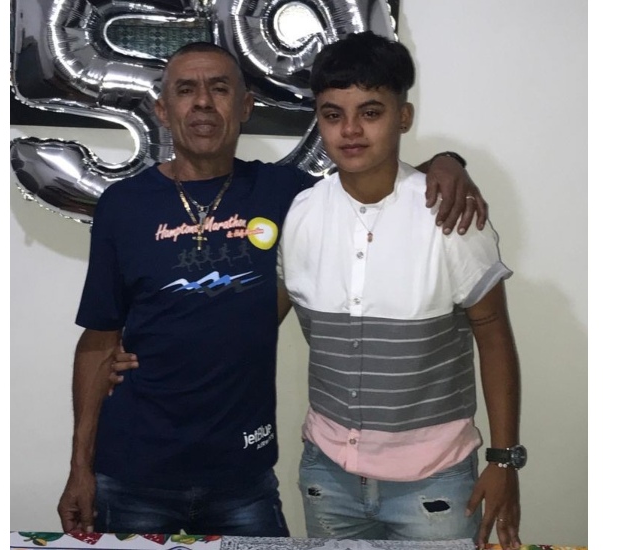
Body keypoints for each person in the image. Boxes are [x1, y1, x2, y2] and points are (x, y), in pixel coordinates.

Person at [57, 40, 487, 538]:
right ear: (162, 109)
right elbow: (98, 340)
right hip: (132, 471)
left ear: (245, 106)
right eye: (186, 90)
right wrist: (79, 468)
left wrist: (447, 162)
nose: (203, 102)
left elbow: (370, 173)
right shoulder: (122, 205)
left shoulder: (289, 195)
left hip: (243, 477)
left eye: (220, 89)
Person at [277, 31, 523, 550]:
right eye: (332, 114)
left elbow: (494, 336)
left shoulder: (450, 216)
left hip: (435, 482)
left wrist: (504, 461)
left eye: (370, 112)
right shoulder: (301, 215)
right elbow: (253, 322)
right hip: (327, 475)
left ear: (403, 116)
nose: (350, 130)